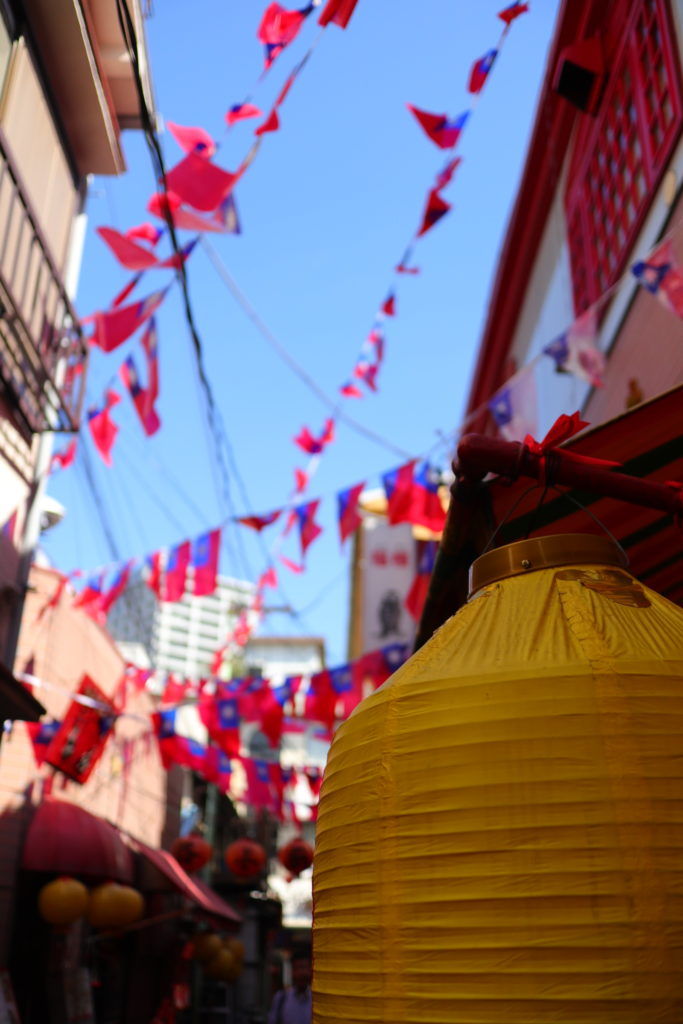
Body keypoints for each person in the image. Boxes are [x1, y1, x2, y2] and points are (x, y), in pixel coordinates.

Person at [267, 954, 312, 1024]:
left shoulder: (317, 1000)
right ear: (292, 972)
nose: (301, 973)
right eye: (297, 968)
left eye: (304, 968)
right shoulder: (281, 998)